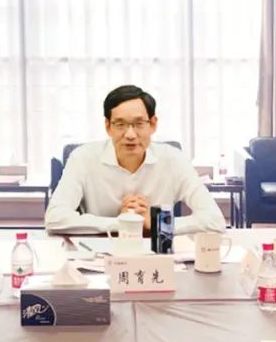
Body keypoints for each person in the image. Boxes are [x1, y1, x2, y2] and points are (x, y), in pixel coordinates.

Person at [45, 85, 226, 235]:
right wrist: (121, 223)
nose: (130, 134)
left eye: (139, 124)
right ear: (108, 126)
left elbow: (215, 220)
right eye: (120, 124)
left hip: (159, 254)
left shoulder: (174, 160)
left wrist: (158, 222)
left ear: (153, 124)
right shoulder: (83, 158)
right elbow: (54, 218)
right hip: (100, 254)